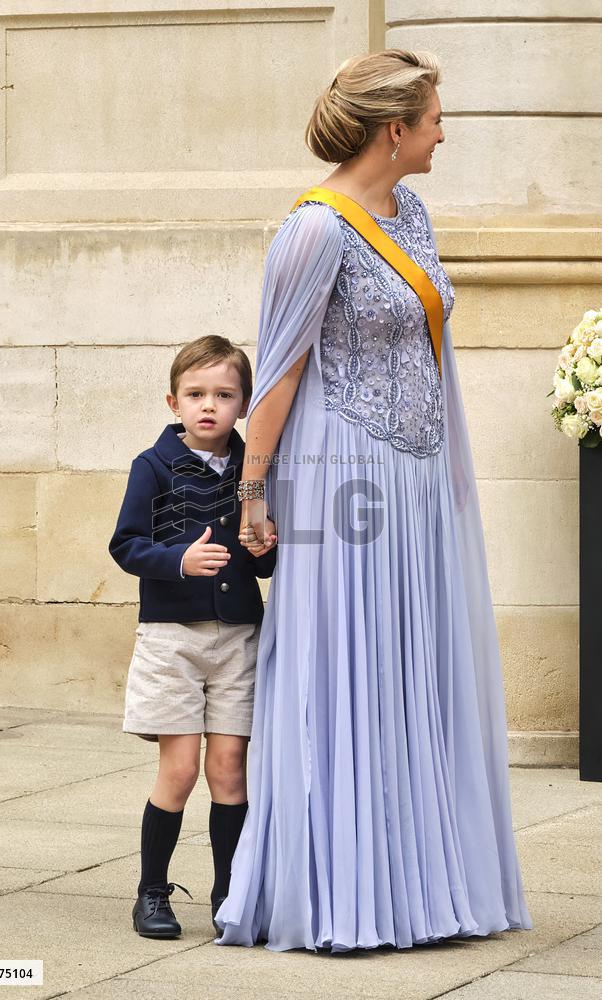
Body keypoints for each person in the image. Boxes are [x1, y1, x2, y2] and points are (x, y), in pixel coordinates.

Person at [214, 49, 534, 952]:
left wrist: (450, 472)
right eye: (435, 116)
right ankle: (337, 892)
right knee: (347, 673)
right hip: (344, 474)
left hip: (417, 477)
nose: (445, 129)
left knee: (412, 676)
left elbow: (428, 352)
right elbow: (276, 370)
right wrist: (253, 495)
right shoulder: (314, 229)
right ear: (394, 130)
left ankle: (417, 886)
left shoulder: (414, 209)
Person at [108, 335, 277, 940]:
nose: (210, 405)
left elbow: (261, 565)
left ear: (245, 403)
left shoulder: (254, 471)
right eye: (196, 394)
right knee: (179, 770)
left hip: (237, 641)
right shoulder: (151, 465)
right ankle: (152, 892)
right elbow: (125, 545)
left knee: (230, 769)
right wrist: (179, 560)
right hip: (171, 639)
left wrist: (265, 548)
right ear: (174, 400)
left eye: (225, 395)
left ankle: (230, 893)